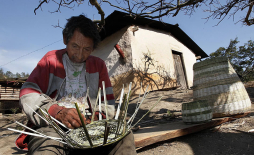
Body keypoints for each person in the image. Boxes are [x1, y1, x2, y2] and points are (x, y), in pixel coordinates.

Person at [16, 14, 137, 155]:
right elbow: (28, 94)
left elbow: (107, 103)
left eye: (87, 49)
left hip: (90, 126)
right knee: (47, 147)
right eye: (75, 46)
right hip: (54, 126)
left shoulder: (98, 65)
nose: (80, 55)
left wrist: (96, 118)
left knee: (124, 136)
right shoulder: (51, 60)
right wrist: (57, 112)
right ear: (65, 39)